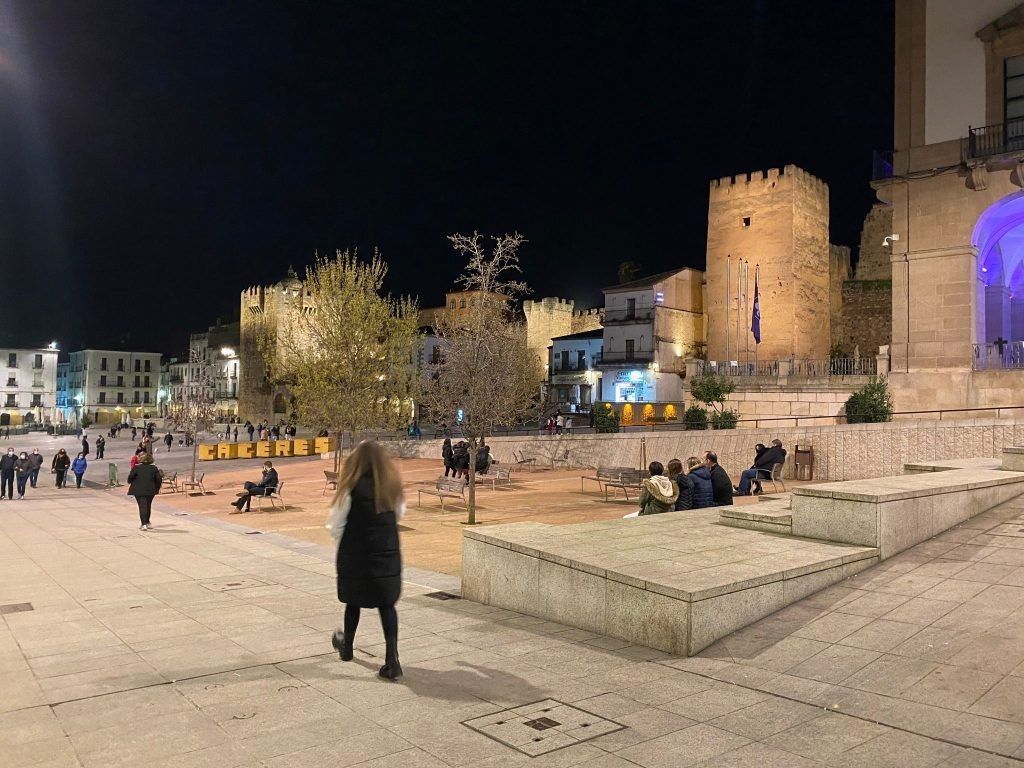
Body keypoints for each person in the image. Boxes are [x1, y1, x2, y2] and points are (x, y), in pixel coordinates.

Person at [327, 440, 404, 680]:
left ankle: (347, 647)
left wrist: (346, 546)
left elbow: (335, 525)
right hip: (386, 556)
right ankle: (392, 659)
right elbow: (399, 515)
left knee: (353, 602)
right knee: (386, 605)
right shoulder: (391, 490)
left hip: (356, 556)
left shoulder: (350, 488)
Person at [127, 453, 161, 530]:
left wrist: (131, 482)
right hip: (150, 490)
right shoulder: (154, 468)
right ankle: (147, 522)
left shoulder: (136, 468)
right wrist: (156, 488)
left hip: (138, 489)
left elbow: (130, 478)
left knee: (142, 506)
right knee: (148, 505)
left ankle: (144, 524)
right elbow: (158, 480)